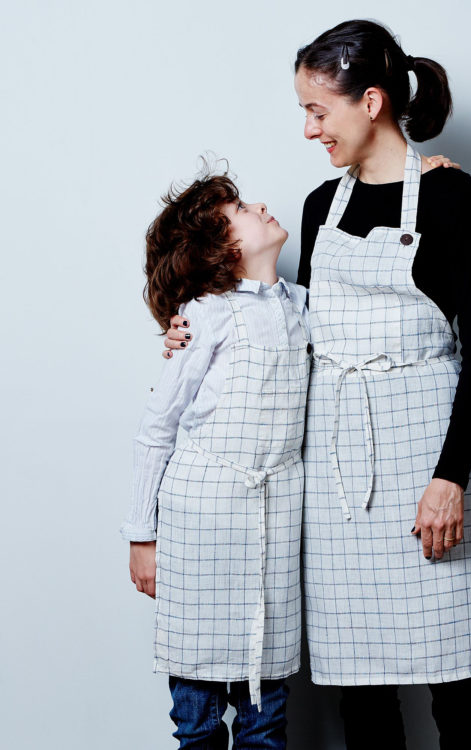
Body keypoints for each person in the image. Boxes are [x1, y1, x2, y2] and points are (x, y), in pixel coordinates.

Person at [166, 18, 471, 748]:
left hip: (427, 460)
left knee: (457, 683)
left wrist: (448, 478)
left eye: (316, 110)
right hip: (337, 480)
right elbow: (281, 322)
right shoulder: (323, 208)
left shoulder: (455, 200)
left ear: (372, 102)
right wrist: (187, 328)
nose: (307, 130)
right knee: (363, 694)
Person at [121, 167, 310, 749]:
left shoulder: (306, 305)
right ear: (226, 246)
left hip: (276, 517)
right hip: (200, 521)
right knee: (198, 719)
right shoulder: (204, 315)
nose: (261, 206)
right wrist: (141, 536)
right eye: (243, 211)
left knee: (266, 716)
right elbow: (159, 429)